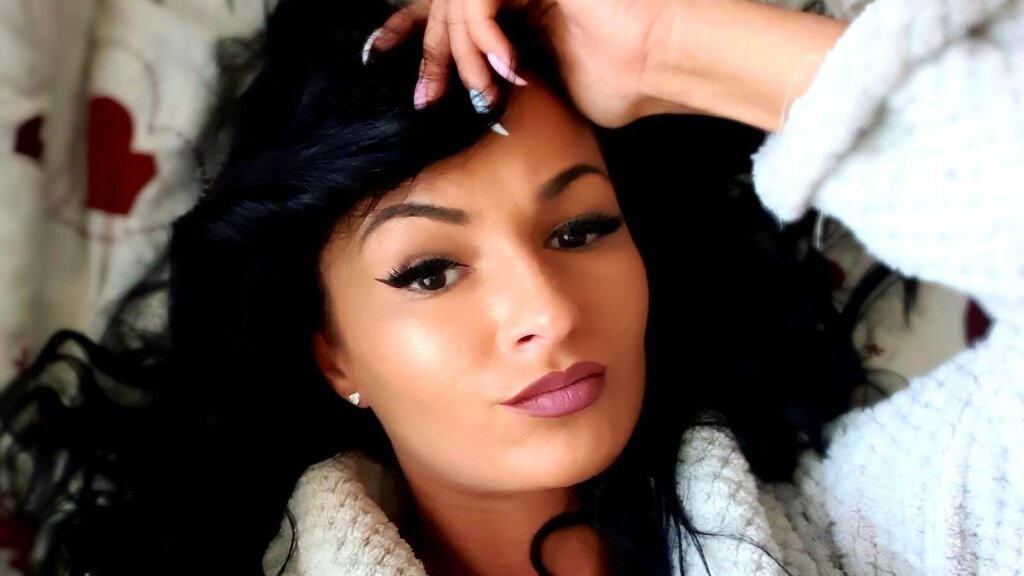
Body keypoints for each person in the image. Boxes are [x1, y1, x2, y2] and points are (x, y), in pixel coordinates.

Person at [0, 0, 1020, 575]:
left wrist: (665, 45)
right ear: (332, 351)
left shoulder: (876, 529)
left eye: (581, 228)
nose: (547, 311)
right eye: (430, 271)